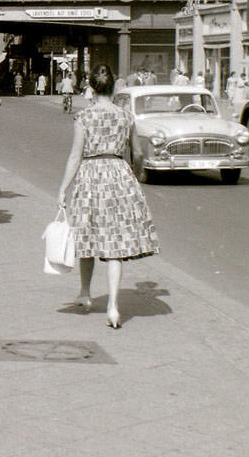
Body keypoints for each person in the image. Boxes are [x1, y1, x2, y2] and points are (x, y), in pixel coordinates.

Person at [57, 64, 159, 329]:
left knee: (88, 236)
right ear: (114, 87)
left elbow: (75, 155)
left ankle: (85, 293)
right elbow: (136, 153)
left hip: (90, 176)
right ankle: (113, 306)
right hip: (118, 176)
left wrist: (63, 188)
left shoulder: (84, 117)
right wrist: (133, 174)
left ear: (91, 87)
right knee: (115, 244)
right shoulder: (126, 116)